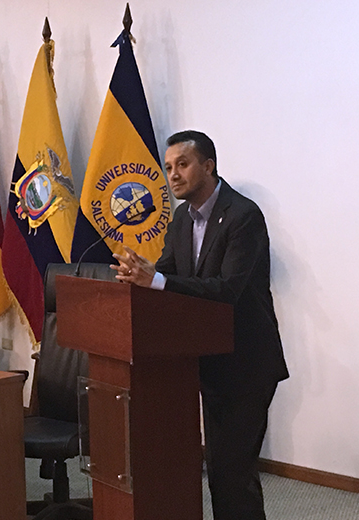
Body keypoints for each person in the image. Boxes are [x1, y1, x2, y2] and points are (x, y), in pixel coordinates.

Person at [111, 130, 288, 520]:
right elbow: (171, 272)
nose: (173, 175)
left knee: (232, 473)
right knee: (219, 470)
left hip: (247, 362)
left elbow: (227, 289)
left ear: (208, 166)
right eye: (169, 167)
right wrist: (140, 271)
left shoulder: (243, 216)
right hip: (205, 359)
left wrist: (156, 280)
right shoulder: (180, 218)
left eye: (183, 164)